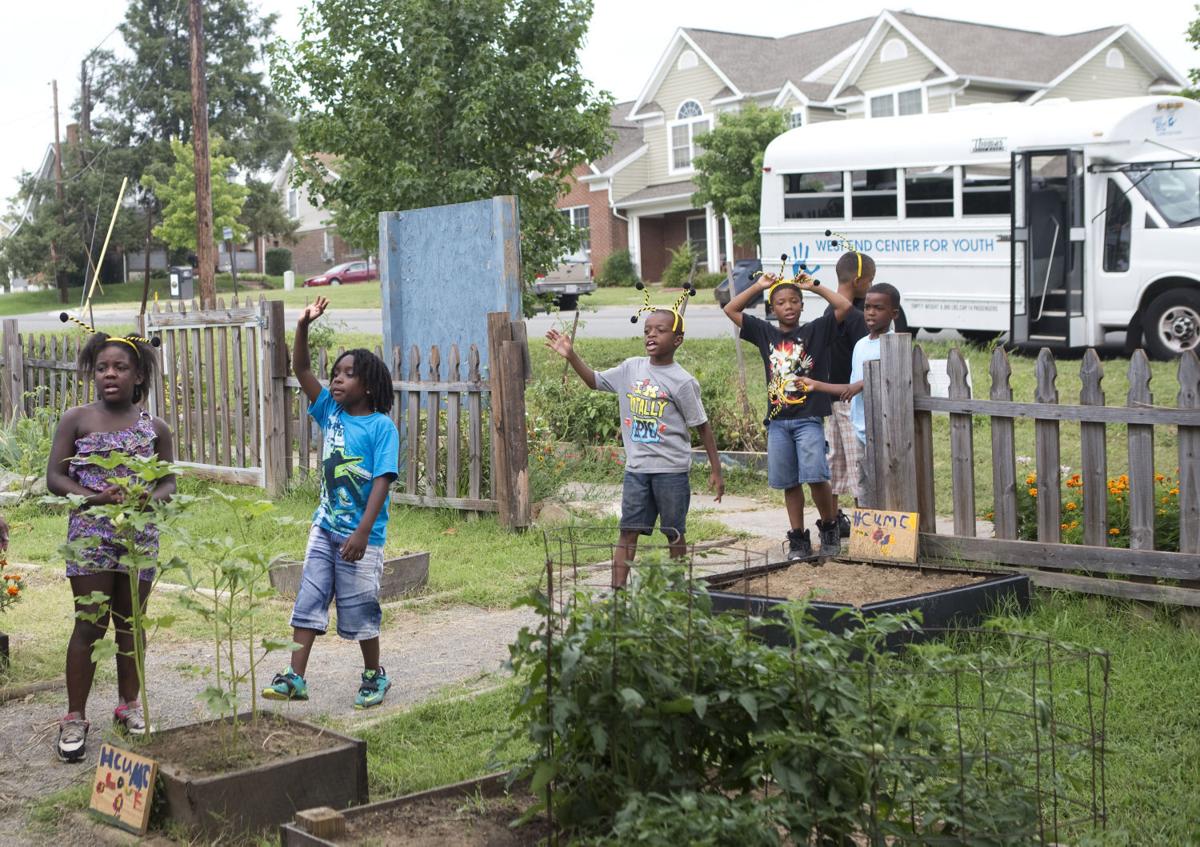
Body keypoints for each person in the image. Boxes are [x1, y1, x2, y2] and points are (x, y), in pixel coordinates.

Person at [264, 296, 399, 710]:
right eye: (336, 373)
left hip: (362, 536)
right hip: (324, 528)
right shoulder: (330, 413)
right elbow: (301, 369)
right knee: (310, 597)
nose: (337, 380)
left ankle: (374, 674)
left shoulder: (381, 427)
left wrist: (362, 532)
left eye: (347, 375)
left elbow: (383, 480)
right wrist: (303, 325)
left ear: (368, 386)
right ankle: (295, 677)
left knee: (359, 609)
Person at [46, 332, 176, 762]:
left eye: (120, 367)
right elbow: (55, 479)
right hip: (90, 535)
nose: (110, 374)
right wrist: (95, 498)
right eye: (102, 368)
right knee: (90, 624)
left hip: (139, 538)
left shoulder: (155, 428)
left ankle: (128, 706)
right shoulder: (77, 419)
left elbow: (169, 483)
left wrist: (147, 499)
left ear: (138, 375)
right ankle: (74, 717)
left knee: (131, 623)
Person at [546, 308, 724, 587]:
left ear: (677, 340)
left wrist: (716, 470)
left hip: (671, 471)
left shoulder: (683, 382)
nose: (651, 335)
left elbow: (702, 426)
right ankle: (617, 593)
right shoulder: (631, 368)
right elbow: (594, 381)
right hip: (637, 470)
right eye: (647, 330)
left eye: (660, 330)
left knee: (673, 532)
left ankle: (677, 590)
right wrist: (571, 355)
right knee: (628, 531)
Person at [724, 268, 853, 562]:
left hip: (808, 419)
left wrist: (815, 286)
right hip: (778, 423)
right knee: (789, 482)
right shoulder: (765, 333)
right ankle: (798, 539)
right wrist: (759, 286)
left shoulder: (815, 331)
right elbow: (731, 309)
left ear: (802, 305)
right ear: (772, 309)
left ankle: (829, 528)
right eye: (781, 303)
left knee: (816, 476)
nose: (789, 307)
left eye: (794, 301)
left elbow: (844, 306)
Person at [800, 282, 903, 498]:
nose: (871, 313)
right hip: (859, 426)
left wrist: (862, 384)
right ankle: (863, 520)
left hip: (884, 428)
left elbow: (893, 378)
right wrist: (816, 385)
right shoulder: (861, 345)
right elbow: (850, 387)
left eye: (878, 308)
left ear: (894, 314)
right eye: (867, 307)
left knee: (887, 485)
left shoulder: (894, 343)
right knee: (861, 485)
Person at [824, 251, 874, 520]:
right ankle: (863, 523)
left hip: (831, 398)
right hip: (851, 399)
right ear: (858, 280)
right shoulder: (855, 316)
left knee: (835, 462)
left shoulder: (828, 310)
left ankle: (831, 522)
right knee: (855, 465)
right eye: (870, 280)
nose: (871, 286)